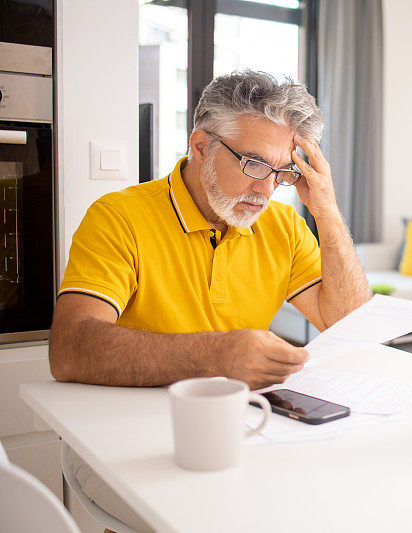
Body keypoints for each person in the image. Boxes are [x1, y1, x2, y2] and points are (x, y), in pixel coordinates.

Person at [50, 70, 372, 532]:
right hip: (128, 442)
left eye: (283, 171)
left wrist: (327, 210)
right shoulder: (118, 217)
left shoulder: (283, 226)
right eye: (255, 164)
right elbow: (70, 348)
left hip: (244, 433)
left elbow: (349, 328)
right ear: (201, 145)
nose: (266, 189)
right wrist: (218, 355)